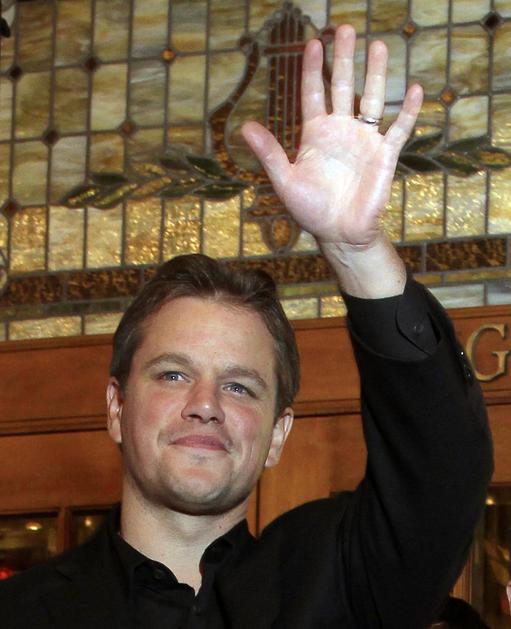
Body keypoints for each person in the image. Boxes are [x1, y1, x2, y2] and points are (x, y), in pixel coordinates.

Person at [0, 24, 493, 629]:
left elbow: (442, 471)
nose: (205, 405)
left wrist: (354, 249)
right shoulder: (19, 613)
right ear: (115, 406)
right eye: (173, 374)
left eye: (239, 386)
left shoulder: (340, 582)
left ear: (279, 433)